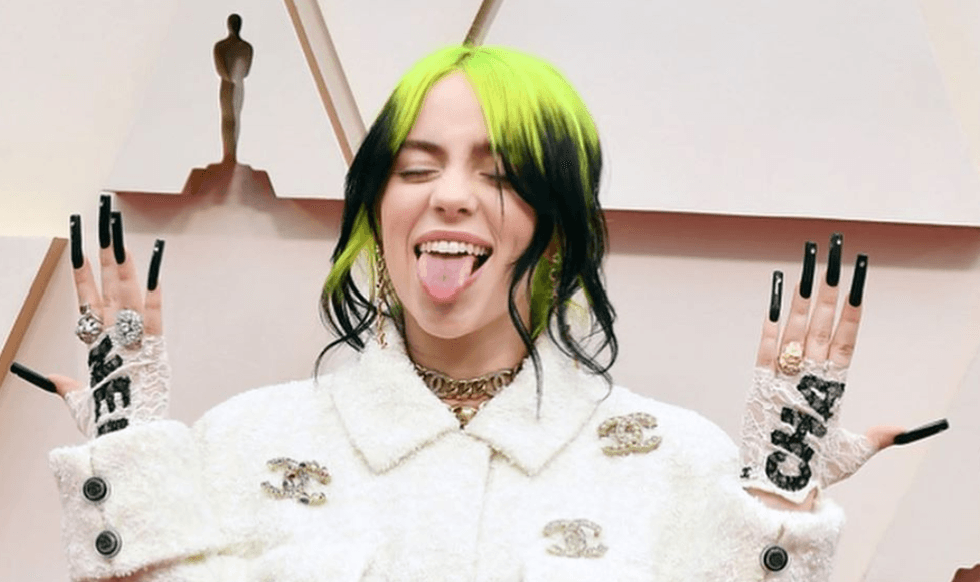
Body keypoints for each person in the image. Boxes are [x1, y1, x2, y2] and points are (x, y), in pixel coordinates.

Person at [27, 44, 942, 581]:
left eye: (500, 175)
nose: (452, 197)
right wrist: (131, 479)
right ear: (375, 209)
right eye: (416, 168)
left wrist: (776, 515)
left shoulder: (682, 464)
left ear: (557, 224)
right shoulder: (238, 443)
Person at [213, 13, 253, 164]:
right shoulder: (222, 46)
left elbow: (245, 70)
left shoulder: (243, 47)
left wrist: (233, 78)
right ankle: (228, 155)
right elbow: (221, 69)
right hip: (230, 85)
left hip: (233, 84)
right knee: (229, 118)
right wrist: (233, 78)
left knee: (234, 118)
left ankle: (232, 155)